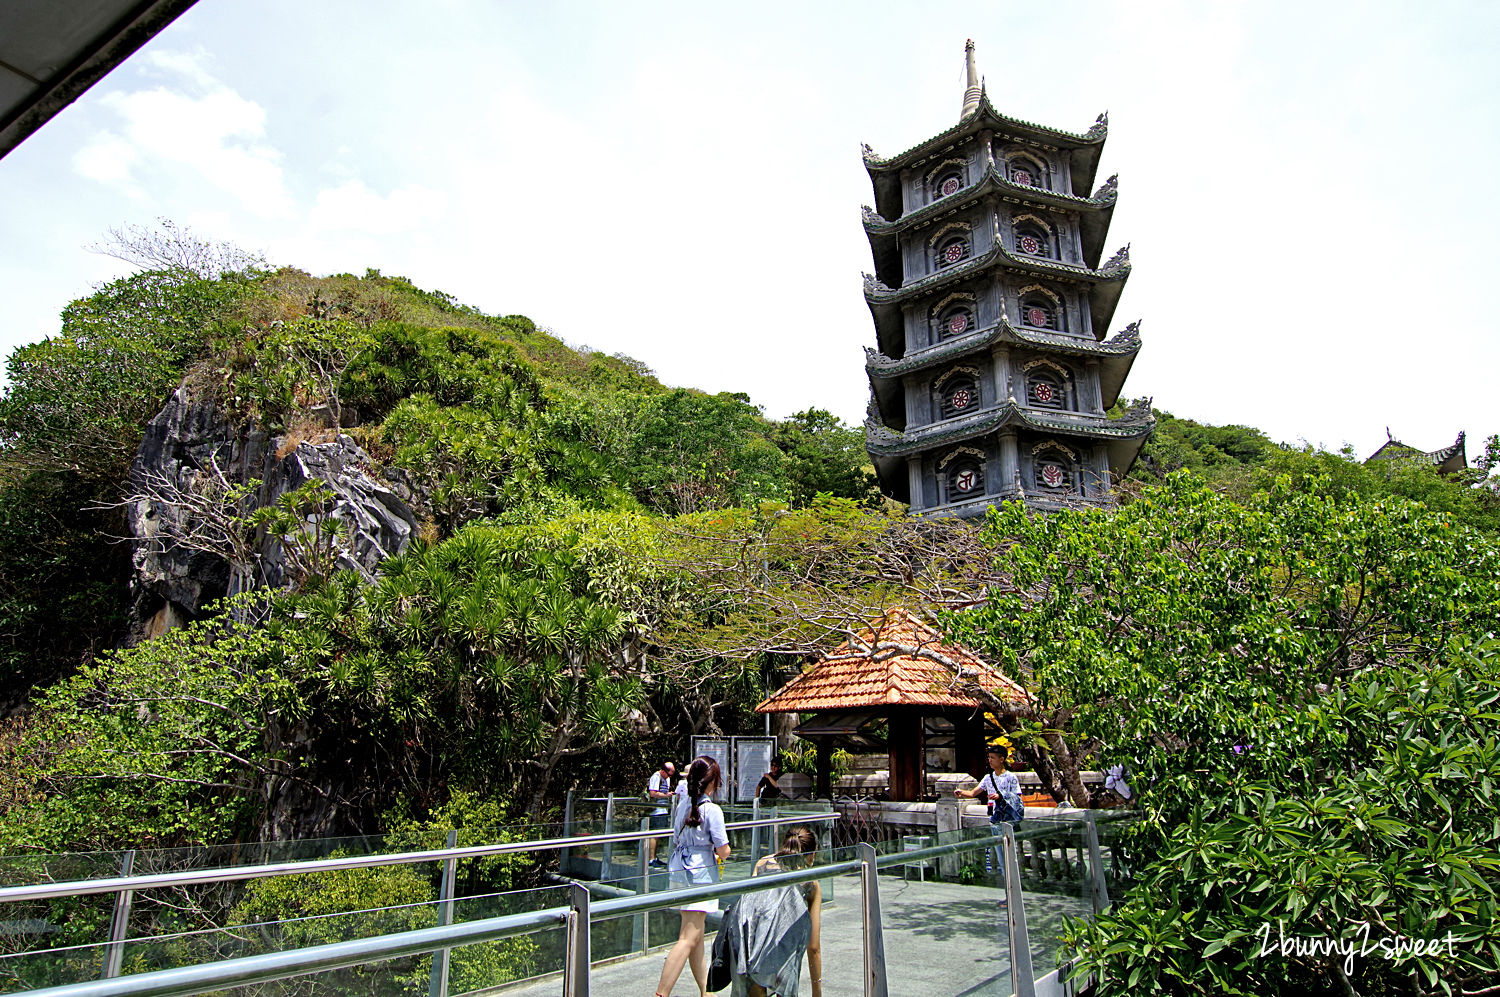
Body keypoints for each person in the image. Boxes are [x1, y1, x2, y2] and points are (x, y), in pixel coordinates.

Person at [655, 755, 731, 997]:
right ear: (713, 782)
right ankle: (661, 993)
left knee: (694, 934)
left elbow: (676, 837)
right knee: (688, 938)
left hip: (679, 868)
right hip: (700, 873)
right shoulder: (712, 810)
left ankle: (705, 991)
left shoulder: (682, 805)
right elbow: (723, 850)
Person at [731, 826, 822, 997]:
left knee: (756, 986)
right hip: (782, 954)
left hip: (753, 945)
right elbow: (814, 947)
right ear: (811, 855)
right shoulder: (810, 883)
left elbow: (750, 906)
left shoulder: (762, 864)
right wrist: (817, 992)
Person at [954, 742, 1025, 889]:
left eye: (993, 757)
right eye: (989, 757)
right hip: (994, 819)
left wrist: (1001, 796)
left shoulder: (1010, 777)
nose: (990, 760)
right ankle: (1008, 891)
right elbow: (974, 793)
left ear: (1002, 759)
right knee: (1000, 858)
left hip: (1007, 820)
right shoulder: (988, 778)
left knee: (1010, 856)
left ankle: (1014, 890)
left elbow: (1017, 798)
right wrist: (962, 793)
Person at [646, 760, 676, 868]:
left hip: (663, 810)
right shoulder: (656, 777)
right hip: (656, 810)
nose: (669, 776)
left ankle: (655, 857)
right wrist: (666, 795)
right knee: (654, 834)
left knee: (659, 835)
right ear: (663, 771)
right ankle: (651, 859)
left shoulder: (666, 779)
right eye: (668, 774)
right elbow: (653, 793)